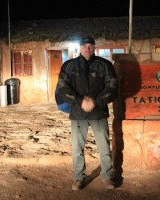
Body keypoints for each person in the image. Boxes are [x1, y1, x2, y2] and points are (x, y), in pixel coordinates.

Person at [56, 36, 118, 190]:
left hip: (98, 112)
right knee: (77, 148)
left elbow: (112, 87)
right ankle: (79, 178)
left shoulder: (104, 65)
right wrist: (80, 101)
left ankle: (108, 176)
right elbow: (63, 89)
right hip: (78, 113)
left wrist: (95, 102)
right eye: (85, 46)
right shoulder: (69, 66)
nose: (88, 48)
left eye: (91, 46)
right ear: (80, 48)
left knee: (104, 146)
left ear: (95, 48)